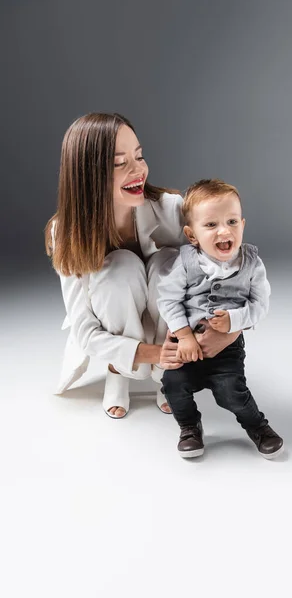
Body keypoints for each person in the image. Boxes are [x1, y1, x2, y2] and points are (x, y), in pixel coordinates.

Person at [45, 114, 240, 418]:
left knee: (168, 261)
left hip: (169, 320)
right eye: (121, 163)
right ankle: (118, 370)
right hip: (112, 320)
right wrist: (152, 353)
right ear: (88, 175)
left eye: (139, 156)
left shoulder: (172, 209)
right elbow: (84, 328)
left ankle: (168, 375)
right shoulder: (66, 231)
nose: (139, 170)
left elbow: (232, 274)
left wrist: (230, 331)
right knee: (119, 267)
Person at [157, 179, 284, 458]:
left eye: (232, 221)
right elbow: (167, 299)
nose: (224, 231)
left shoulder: (251, 263)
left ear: (242, 224)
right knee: (173, 385)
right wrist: (186, 335)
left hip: (227, 347)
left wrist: (235, 321)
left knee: (231, 391)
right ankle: (190, 426)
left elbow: (260, 304)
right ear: (192, 235)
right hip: (188, 342)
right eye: (211, 225)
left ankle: (258, 427)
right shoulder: (185, 262)